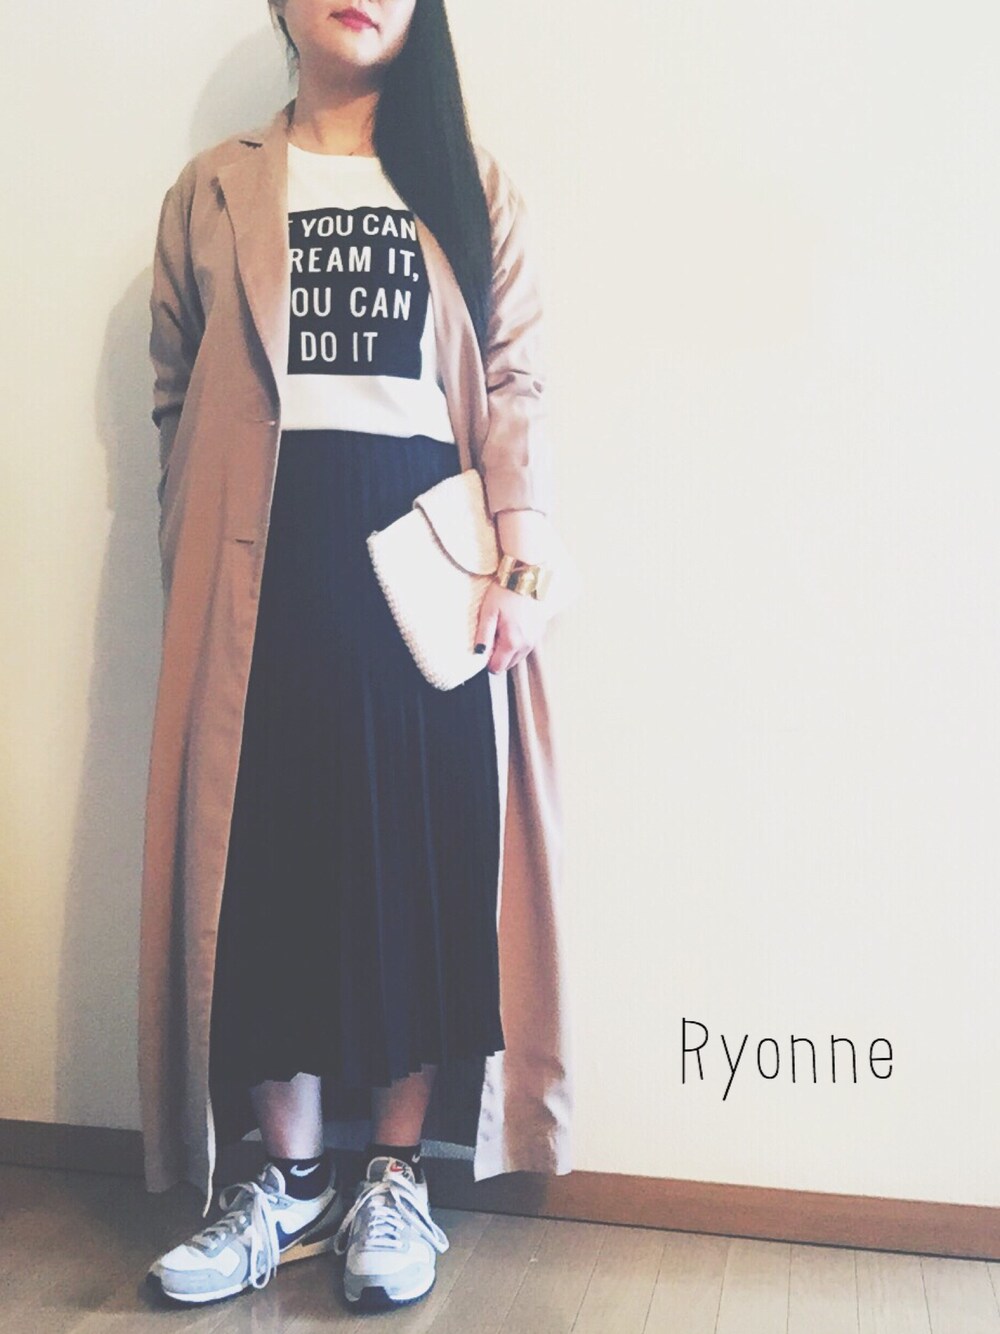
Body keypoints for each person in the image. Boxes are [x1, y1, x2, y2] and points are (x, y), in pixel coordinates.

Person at [143, 0, 565, 1314]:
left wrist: (524, 561)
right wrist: (190, 527)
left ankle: (395, 1172)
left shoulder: (469, 183)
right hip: (259, 559)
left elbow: (517, 381)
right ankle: (285, 1179)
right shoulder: (214, 190)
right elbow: (175, 387)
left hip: (427, 561)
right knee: (260, 859)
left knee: (415, 863)